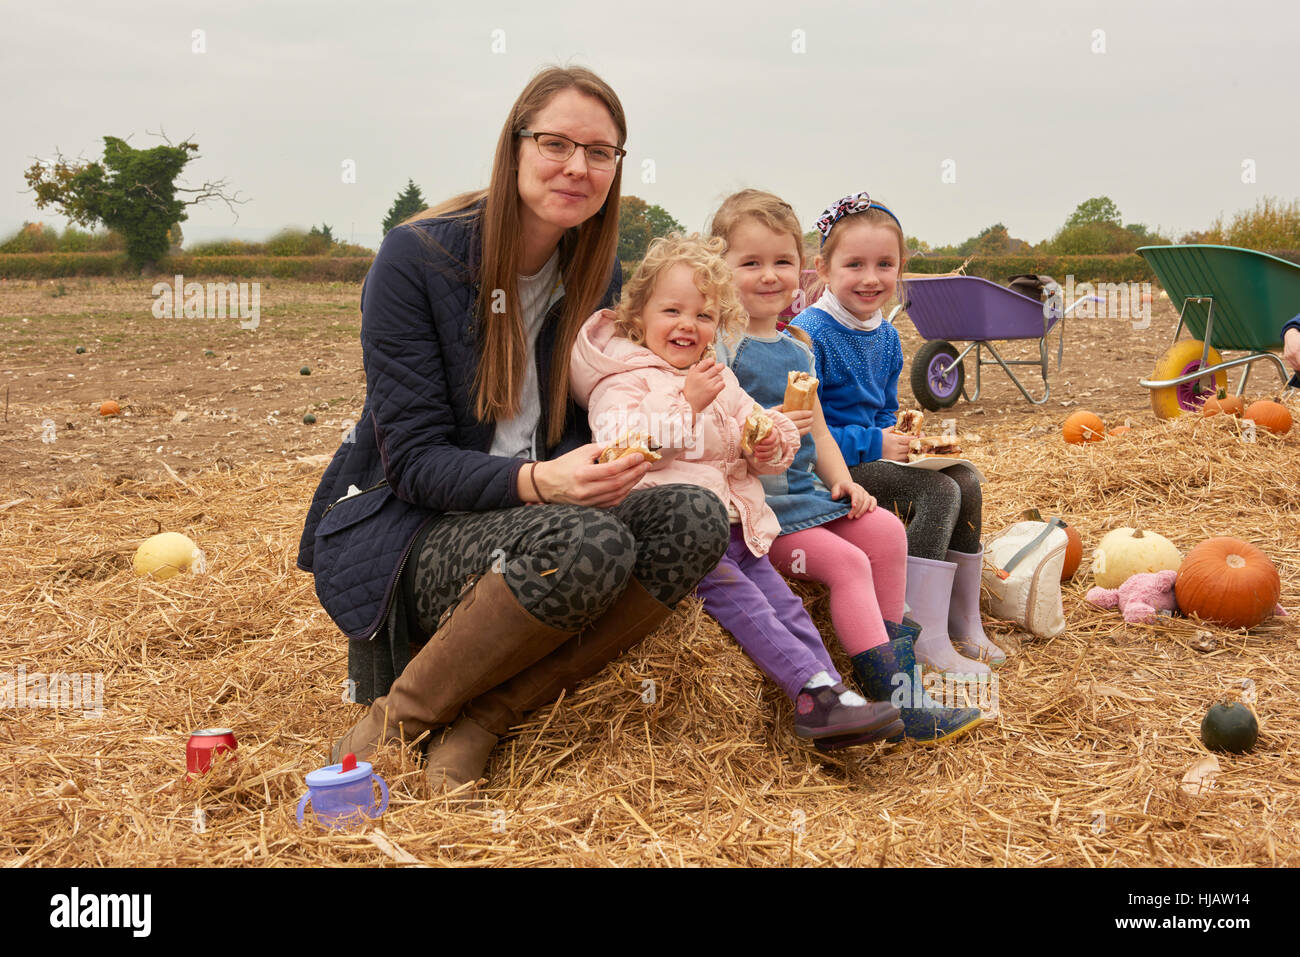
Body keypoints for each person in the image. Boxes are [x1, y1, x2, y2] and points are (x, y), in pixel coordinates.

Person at [295, 67, 730, 796]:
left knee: (695, 515)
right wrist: (539, 481)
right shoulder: (416, 260)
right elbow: (413, 464)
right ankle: (399, 722)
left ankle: (488, 717)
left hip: (537, 516)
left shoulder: (590, 272)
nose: (577, 166)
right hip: (420, 527)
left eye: (600, 152)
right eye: (556, 143)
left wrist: (610, 458)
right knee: (588, 538)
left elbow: (594, 414)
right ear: (516, 145)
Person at [569, 232, 905, 747]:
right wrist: (688, 402)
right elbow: (623, 444)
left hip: (738, 525)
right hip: (677, 537)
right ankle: (810, 694)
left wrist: (771, 441)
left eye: (704, 317)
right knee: (746, 604)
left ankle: (834, 695)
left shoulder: (715, 376)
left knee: (785, 605)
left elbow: (751, 427)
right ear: (638, 317)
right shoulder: (623, 381)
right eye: (672, 311)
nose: (688, 325)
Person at [708, 190, 981, 746]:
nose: (768, 276)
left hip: (808, 494)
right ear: (719, 269)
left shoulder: (799, 346)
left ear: (800, 268)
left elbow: (823, 430)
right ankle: (891, 696)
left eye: (781, 262)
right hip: (763, 514)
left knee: (882, 529)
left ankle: (898, 679)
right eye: (750, 263)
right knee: (848, 563)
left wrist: (844, 480)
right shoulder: (721, 349)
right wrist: (761, 431)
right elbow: (712, 435)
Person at [791, 191, 1005, 675]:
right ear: (823, 269)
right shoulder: (809, 334)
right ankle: (921, 633)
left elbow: (884, 410)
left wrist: (901, 439)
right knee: (935, 492)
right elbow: (807, 433)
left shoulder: (886, 335)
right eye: (855, 265)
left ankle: (963, 621)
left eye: (885, 264)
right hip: (833, 469)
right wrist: (874, 443)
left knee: (965, 480)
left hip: (874, 455)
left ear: (900, 269)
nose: (871, 278)